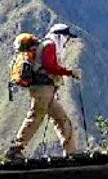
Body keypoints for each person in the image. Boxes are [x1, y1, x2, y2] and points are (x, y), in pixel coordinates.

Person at [6, 23, 80, 160]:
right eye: (66, 37)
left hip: (45, 89)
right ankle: (16, 149)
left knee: (62, 119)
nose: (67, 40)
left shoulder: (46, 45)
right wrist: (69, 72)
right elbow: (49, 66)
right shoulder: (50, 45)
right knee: (36, 116)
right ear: (60, 36)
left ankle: (71, 153)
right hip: (42, 88)